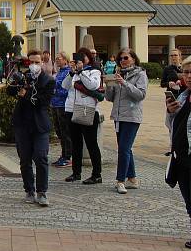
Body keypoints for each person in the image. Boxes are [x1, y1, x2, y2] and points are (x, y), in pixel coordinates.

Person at [7, 49, 55, 206]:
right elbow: (9, 90)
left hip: (40, 125)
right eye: (31, 62)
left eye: (37, 62)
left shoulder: (48, 80)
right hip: (22, 123)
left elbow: (43, 101)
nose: (33, 65)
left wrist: (25, 93)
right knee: (25, 159)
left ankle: (42, 192)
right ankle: (29, 190)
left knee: (41, 157)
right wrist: (17, 86)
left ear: (42, 62)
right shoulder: (23, 76)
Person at [105, 48, 147, 195]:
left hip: (132, 116)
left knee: (123, 149)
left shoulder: (140, 74)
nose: (122, 61)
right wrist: (109, 85)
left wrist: (124, 83)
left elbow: (140, 94)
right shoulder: (118, 74)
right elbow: (110, 98)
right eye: (120, 59)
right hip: (118, 116)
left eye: (125, 58)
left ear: (133, 59)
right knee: (126, 148)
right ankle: (132, 178)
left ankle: (120, 180)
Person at [164, 56, 191, 251]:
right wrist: (171, 112)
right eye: (186, 72)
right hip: (181, 159)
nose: (188, 76)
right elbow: (172, 126)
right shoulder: (184, 96)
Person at [63, 47, 103, 185]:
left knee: (91, 143)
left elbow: (93, 86)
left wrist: (82, 72)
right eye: (78, 57)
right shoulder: (74, 73)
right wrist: (71, 73)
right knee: (76, 143)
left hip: (87, 109)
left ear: (88, 58)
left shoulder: (94, 71)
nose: (81, 59)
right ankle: (76, 172)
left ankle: (97, 174)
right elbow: (65, 86)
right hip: (72, 109)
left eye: (83, 56)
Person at [50, 52, 73, 168]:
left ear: (65, 60)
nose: (57, 61)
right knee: (59, 131)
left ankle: (68, 156)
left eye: (59, 58)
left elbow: (66, 89)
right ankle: (63, 154)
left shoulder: (68, 72)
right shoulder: (59, 72)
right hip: (55, 104)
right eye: (56, 59)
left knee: (65, 132)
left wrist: (55, 91)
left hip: (63, 104)